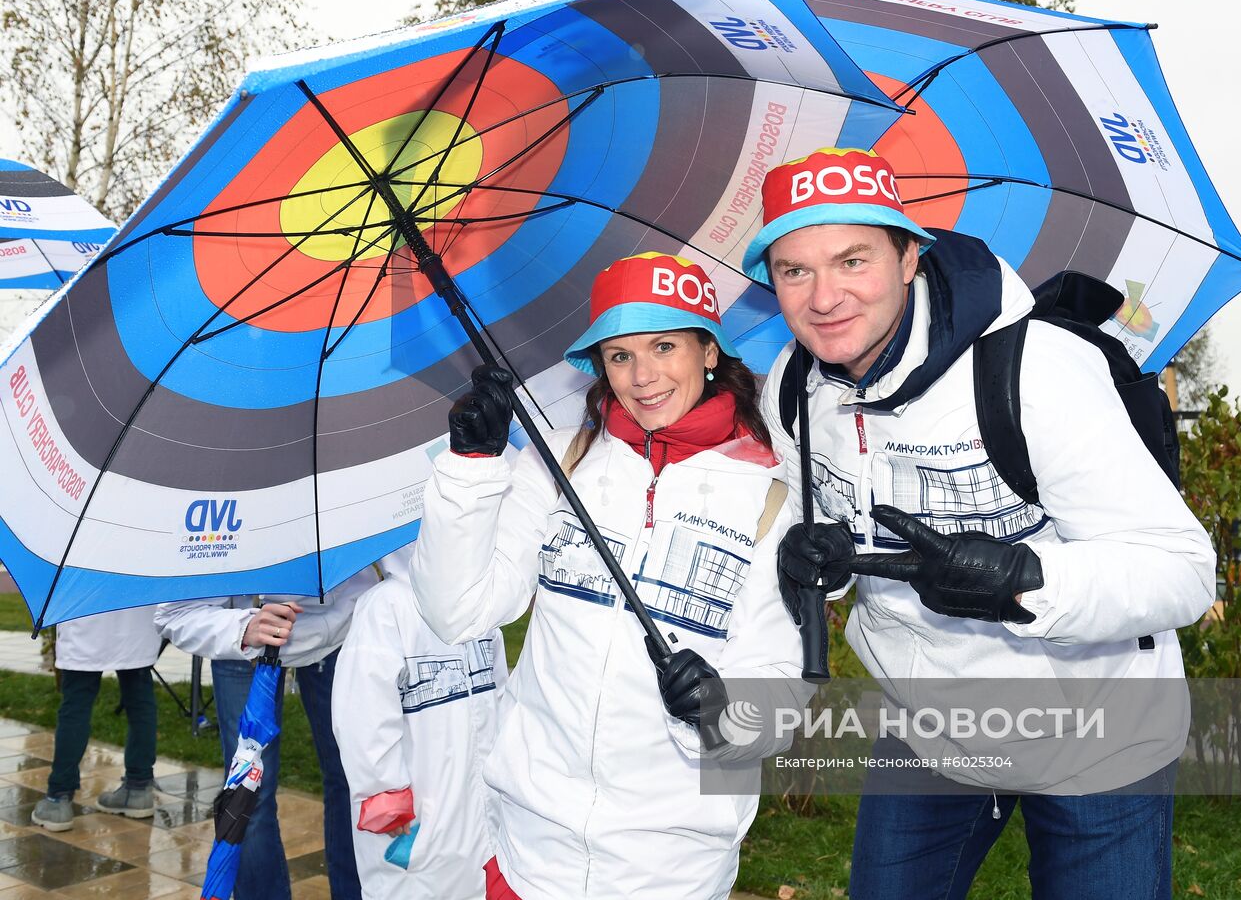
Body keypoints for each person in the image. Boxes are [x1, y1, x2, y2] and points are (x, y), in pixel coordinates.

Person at [742, 148, 1216, 900]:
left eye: (852, 259)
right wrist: (815, 560)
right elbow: (826, 528)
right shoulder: (794, 391)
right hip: (932, 727)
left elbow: (1185, 569)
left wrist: (1026, 582)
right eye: (794, 270)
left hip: (1101, 725)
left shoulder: (1036, 370)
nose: (824, 296)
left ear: (908, 256)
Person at [411, 252, 807, 900]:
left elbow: (781, 703)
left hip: (671, 870)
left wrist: (715, 709)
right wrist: (471, 469)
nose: (642, 376)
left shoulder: (769, 500)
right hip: (528, 852)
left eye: (663, 345)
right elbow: (458, 610)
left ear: (710, 351)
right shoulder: (562, 459)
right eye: (619, 355)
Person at [155, 549, 405, 900]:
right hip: (245, 648)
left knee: (356, 784)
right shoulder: (210, 497)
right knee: (248, 798)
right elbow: (172, 613)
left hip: (344, 636)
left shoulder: (343, 493)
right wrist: (241, 627)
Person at [332, 567, 507, 899]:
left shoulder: (479, 604)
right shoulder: (384, 608)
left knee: (478, 880)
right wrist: (384, 791)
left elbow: (499, 693)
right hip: (418, 822)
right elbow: (362, 715)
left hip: (480, 809)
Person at [30, 606, 162, 832]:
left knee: (76, 706)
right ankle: (139, 787)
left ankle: (58, 799)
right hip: (138, 620)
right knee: (140, 701)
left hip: (85, 617)